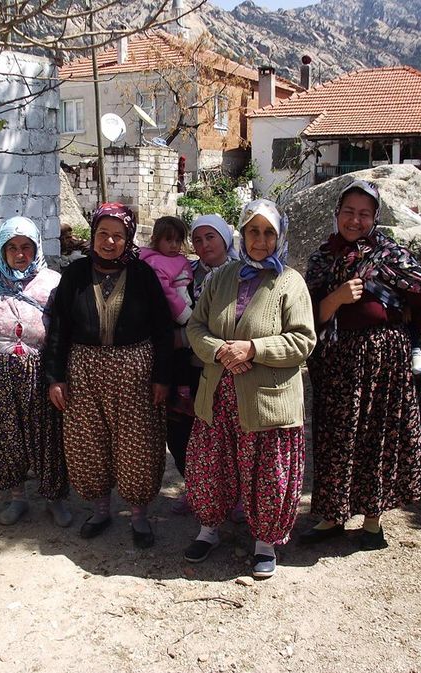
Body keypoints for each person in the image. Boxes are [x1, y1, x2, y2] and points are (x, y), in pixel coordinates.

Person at [303, 179, 421, 550]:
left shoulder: (392, 255)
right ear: (336, 214)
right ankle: (332, 516)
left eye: (364, 214)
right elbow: (305, 315)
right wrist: (336, 297)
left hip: (384, 361)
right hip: (335, 360)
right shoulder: (322, 259)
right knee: (335, 437)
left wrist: (406, 330)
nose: (355, 220)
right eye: (348, 211)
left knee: (376, 437)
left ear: (375, 218)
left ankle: (372, 521)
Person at [183, 199, 316, 578]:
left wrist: (254, 349)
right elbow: (196, 327)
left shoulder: (290, 282)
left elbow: (303, 341)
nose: (260, 240)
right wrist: (221, 351)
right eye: (253, 231)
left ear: (279, 236)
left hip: (267, 402)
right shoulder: (222, 277)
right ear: (242, 235)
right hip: (219, 396)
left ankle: (265, 542)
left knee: (266, 472)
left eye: (268, 232)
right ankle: (209, 529)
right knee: (211, 466)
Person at [45, 202, 174, 547]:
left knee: (139, 445)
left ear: (128, 237)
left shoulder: (143, 275)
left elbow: (163, 328)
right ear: (93, 235)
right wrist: (56, 377)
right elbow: (58, 329)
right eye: (103, 233)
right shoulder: (74, 275)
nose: (110, 241)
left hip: (136, 372)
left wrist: (162, 377)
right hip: (84, 371)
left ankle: (138, 516)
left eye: (118, 235)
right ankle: (100, 510)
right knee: (89, 443)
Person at [0, 216, 70, 526]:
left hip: (40, 371)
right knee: (4, 436)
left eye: (26, 247)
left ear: (36, 247)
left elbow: (64, 331)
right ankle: (16, 498)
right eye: (12, 247)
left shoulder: (53, 282)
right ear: (2, 250)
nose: (19, 254)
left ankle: (54, 499)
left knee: (47, 435)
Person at [166, 213, 239, 514]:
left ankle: (233, 496)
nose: (204, 244)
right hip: (187, 370)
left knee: (227, 435)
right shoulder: (186, 273)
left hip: (226, 368)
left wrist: (184, 337)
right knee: (183, 433)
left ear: (225, 238)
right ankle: (195, 488)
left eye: (211, 237)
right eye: (197, 239)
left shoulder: (242, 276)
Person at [140, 216, 194, 414]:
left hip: (173, 320)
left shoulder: (170, 260)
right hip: (169, 320)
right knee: (176, 357)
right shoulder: (157, 263)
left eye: (178, 241)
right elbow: (167, 292)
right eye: (168, 240)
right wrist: (186, 315)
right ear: (156, 240)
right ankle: (181, 396)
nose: (173, 245)